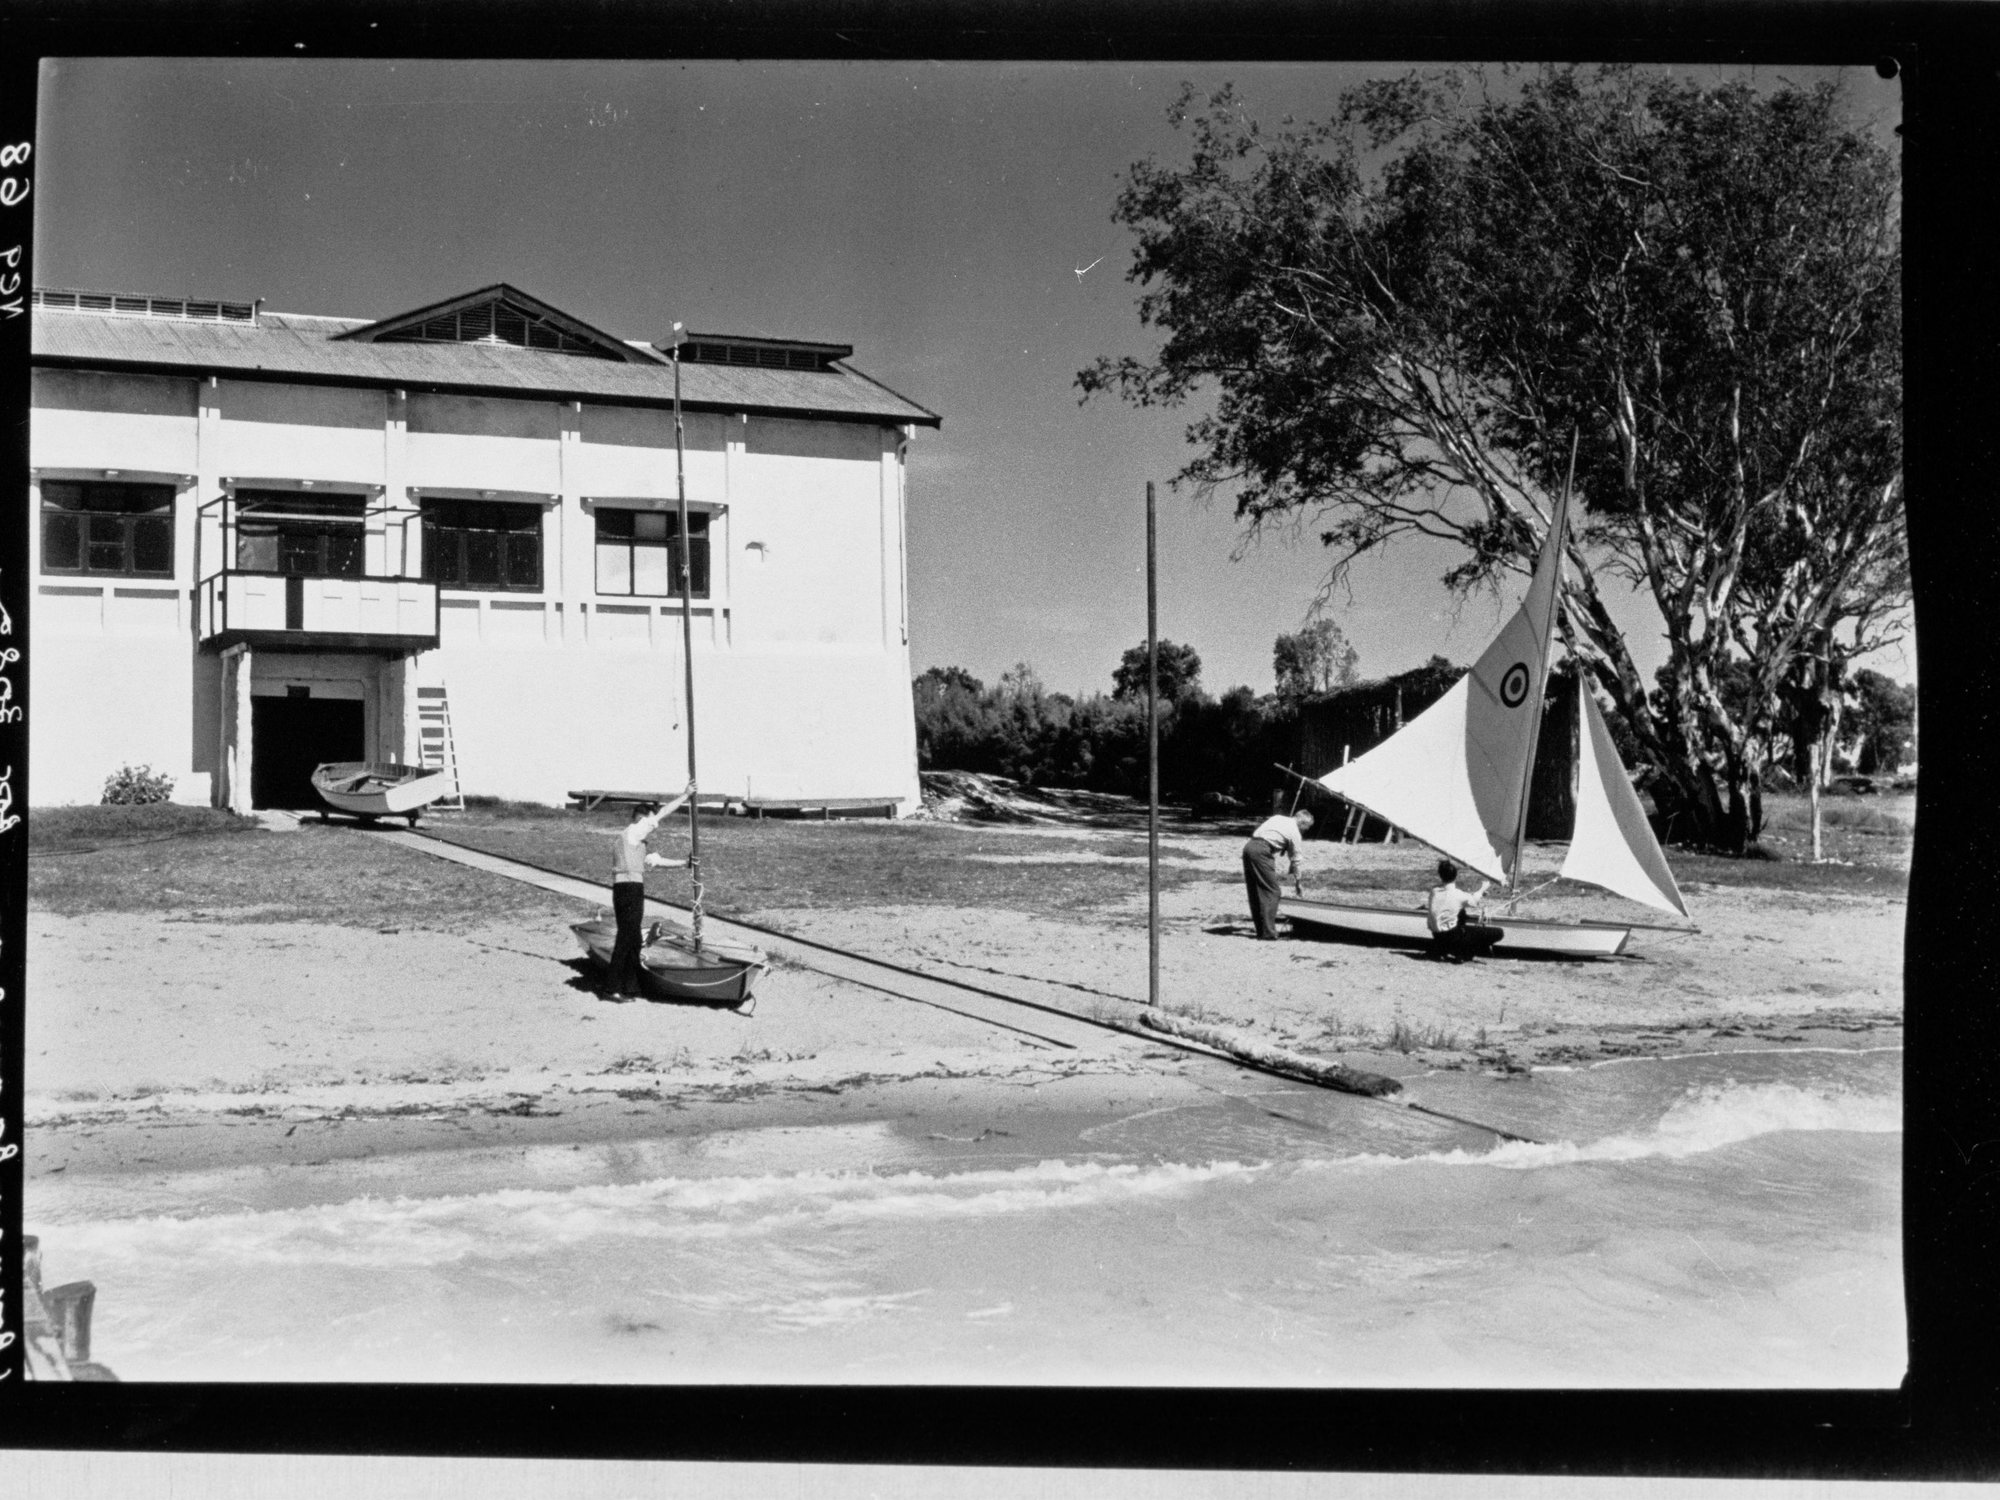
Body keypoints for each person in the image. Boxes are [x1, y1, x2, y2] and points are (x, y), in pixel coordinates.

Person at [605, 783, 695, 1000]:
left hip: (629, 888)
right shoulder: (634, 831)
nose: (653, 824)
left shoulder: (635, 840)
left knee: (634, 938)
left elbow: (657, 861)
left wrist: (685, 863)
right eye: (650, 819)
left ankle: (631, 986)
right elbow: (662, 813)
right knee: (627, 937)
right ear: (642, 818)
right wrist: (685, 795)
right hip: (628, 888)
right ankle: (612, 987)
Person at [1242, 808, 1314, 940]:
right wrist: (1298, 883)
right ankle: (1269, 933)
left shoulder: (1278, 817)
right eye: (1306, 828)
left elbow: (1270, 833)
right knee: (1273, 891)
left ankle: (1262, 931)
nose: (1305, 831)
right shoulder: (1295, 833)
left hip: (1249, 847)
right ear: (1302, 823)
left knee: (1255, 890)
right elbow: (1296, 860)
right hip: (1262, 851)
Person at [1427, 859, 1502, 963]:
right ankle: (1464, 952)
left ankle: (1446, 949)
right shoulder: (1459, 895)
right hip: (1452, 936)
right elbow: (1473, 901)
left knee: (1461, 913)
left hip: (1437, 935)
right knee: (1498, 933)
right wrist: (1482, 889)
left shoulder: (1434, 891)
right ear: (1456, 876)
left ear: (1440, 875)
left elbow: (1459, 898)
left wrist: (1477, 894)